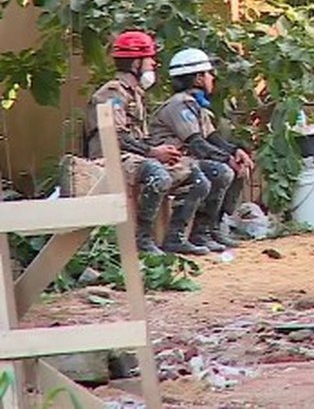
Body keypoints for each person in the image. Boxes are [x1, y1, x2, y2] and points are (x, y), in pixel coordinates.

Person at [84, 30, 211, 255]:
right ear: (135, 63)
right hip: (111, 157)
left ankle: (176, 238)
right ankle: (142, 239)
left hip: (136, 157)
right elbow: (116, 136)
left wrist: (169, 150)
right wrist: (153, 152)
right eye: (149, 59)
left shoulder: (136, 94)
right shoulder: (112, 93)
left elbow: (139, 137)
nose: (153, 63)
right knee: (157, 174)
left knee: (197, 177)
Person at [149, 48, 252, 254]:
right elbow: (196, 143)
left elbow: (212, 138)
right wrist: (227, 159)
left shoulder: (196, 106)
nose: (212, 77)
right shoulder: (179, 105)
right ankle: (185, 235)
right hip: (172, 161)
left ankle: (212, 228)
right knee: (220, 171)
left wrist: (236, 151)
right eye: (208, 73)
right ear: (197, 79)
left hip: (187, 160)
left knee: (234, 166)